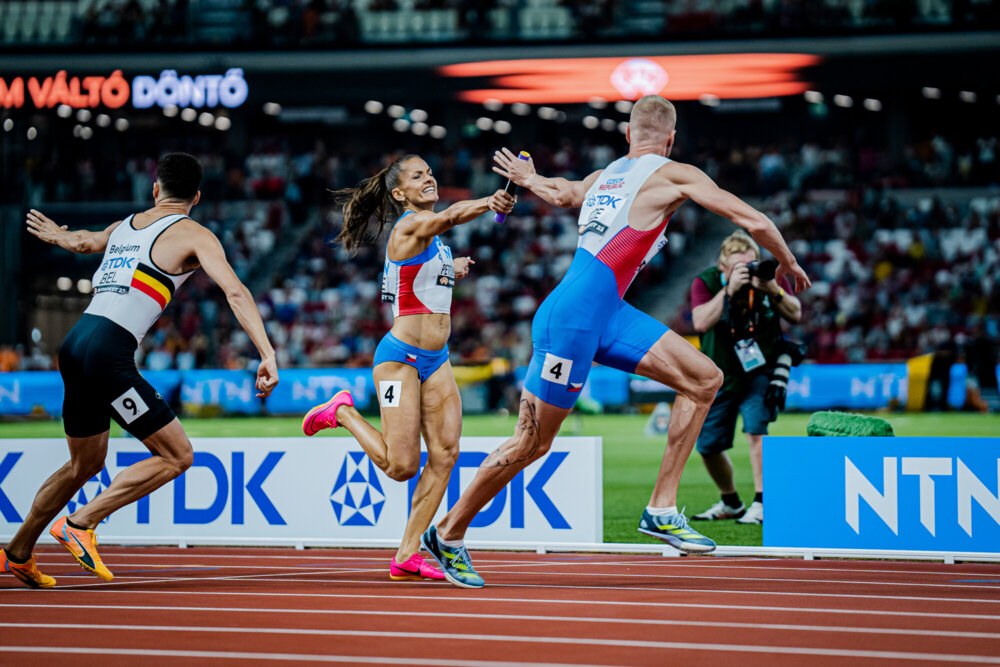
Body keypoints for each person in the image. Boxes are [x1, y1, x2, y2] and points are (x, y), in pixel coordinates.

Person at [421, 95, 811, 588]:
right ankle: (448, 533)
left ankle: (661, 508)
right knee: (532, 443)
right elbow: (753, 220)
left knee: (703, 379)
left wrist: (528, 180)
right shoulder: (674, 173)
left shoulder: (607, 174)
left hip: (606, 313)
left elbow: (562, 193)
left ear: (628, 135)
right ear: (670, 139)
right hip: (574, 322)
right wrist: (789, 262)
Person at [1, 152, 279, 589]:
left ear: (155, 190)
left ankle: (18, 552)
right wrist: (267, 352)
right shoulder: (196, 234)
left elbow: (83, 243)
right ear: (197, 197)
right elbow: (236, 292)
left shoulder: (126, 225)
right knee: (177, 455)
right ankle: (81, 523)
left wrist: (57, 235)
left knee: (84, 464)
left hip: (74, 345)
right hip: (108, 351)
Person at [301, 154, 514, 581]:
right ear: (400, 194)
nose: (429, 179)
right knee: (401, 467)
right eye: (418, 176)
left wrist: (451, 269)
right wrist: (488, 202)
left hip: (437, 360)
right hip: (399, 360)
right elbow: (452, 215)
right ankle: (342, 412)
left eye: (430, 172)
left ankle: (407, 553)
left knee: (446, 453)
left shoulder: (431, 241)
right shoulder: (407, 226)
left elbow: (413, 278)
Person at [689, 231, 802, 526]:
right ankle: (731, 502)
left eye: (751, 264)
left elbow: (796, 314)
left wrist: (771, 289)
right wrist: (727, 292)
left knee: (756, 430)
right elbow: (700, 321)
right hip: (719, 374)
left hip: (760, 369)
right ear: (723, 267)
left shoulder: (769, 278)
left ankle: (762, 503)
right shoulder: (707, 281)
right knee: (709, 446)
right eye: (740, 267)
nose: (749, 270)